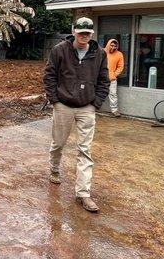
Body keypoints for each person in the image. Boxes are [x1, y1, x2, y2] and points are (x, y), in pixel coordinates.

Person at [43, 17, 110, 213]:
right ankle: (54, 169)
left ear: (92, 34)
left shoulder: (99, 54)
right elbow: (49, 75)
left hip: (86, 107)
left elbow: (104, 80)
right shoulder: (60, 50)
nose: (84, 36)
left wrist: (95, 103)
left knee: (84, 150)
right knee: (58, 142)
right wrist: (54, 99)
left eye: (87, 33)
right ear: (73, 31)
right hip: (63, 105)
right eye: (80, 32)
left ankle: (83, 194)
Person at [104, 39, 124, 116]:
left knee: (113, 94)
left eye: (115, 46)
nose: (113, 47)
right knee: (96, 92)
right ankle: (93, 108)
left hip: (112, 79)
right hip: (100, 78)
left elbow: (120, 67)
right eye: (112, 45)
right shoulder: (102, 52)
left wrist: (114, 75)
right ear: (108, 44)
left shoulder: (119, 54)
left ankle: (114, 110)